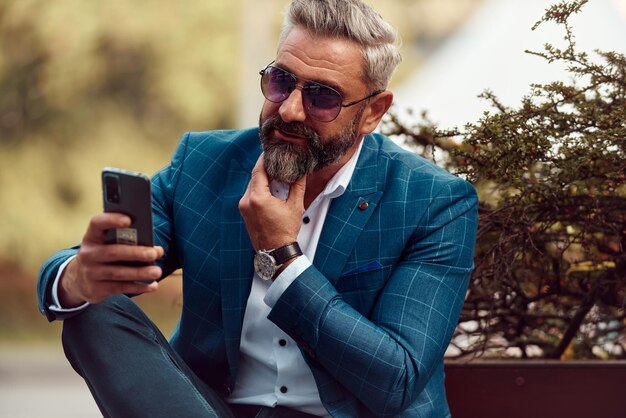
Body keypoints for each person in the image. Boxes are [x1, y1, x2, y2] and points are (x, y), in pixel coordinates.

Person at [37, 1, 478, 417]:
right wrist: (78, 275)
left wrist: (284, 256)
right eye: (282, 81)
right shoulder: (204, 163)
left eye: (322, 98)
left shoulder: (433, 202)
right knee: (90, 308)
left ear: (372, 112)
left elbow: (395, 381)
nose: (289, 109)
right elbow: (82, 270)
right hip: (212, 408)